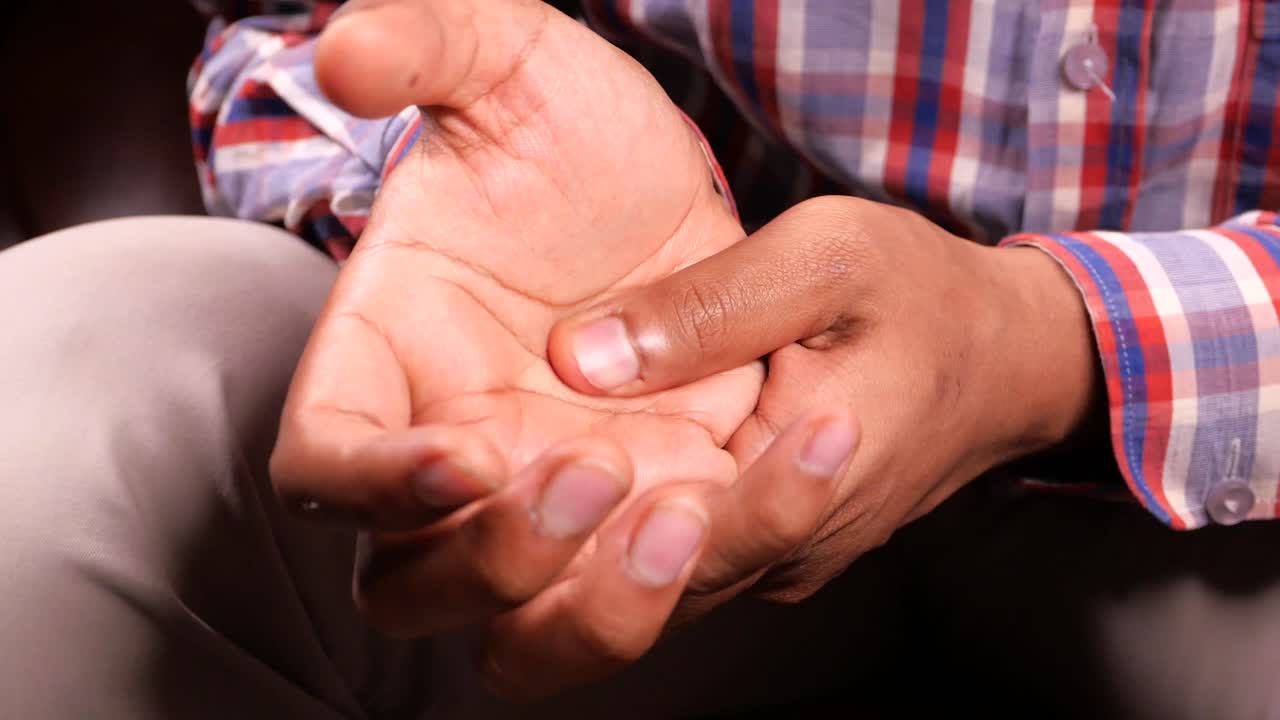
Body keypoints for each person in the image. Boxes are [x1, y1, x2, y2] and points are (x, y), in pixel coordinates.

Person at [3, 0, 1280, 717]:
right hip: (641, 408)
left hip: (1237, 489)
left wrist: (1042, 343)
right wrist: (473, 167)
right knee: (44, 423)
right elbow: (290, 25)